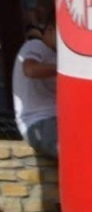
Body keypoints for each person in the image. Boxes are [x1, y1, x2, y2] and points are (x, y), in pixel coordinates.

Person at [13, 14, 57, 158]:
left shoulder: (53, 55)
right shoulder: (36, 45)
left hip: (53, 121)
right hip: (38, 123)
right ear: (50, 29)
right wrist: (62, 69)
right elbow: (30, 70)